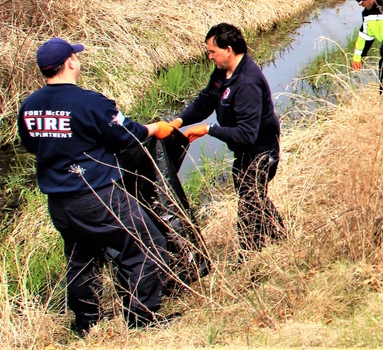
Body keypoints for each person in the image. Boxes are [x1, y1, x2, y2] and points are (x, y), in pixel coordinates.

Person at [17, 38, 175, 335]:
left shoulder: (29, 106)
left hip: (60, 203)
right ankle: (142, 318)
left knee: (82, 257)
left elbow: (31, 145)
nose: (78, 61)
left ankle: (86, 323)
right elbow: (131, 134)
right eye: (76, 57)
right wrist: (157, 128)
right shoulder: (91, 103)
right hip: (98, 196)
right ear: (70, 63)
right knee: (147, 244)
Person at [169, 23, 285, 254]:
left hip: (261, 151)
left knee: (249, 206)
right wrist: (179, 122)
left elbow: (246, 134)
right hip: (244, 152)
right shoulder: (224, 71)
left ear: (228, 49)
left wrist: (208, 129)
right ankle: (282, 239)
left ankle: (251, 258)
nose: (209, 56)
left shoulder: (247, 83)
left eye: (212, 51)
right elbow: (206, 100)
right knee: (254, 198)